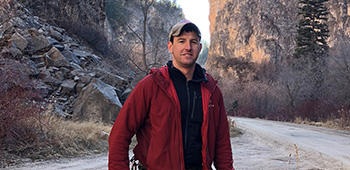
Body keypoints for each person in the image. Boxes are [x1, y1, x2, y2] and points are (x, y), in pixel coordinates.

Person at [108, 19, 234, 170]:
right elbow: (119, 134)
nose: (188, 47)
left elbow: (222, 144)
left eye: (193, 42)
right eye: (181, 41)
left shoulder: (212, 90)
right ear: (170, 46)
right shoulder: (152, 85)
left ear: (200, 48)